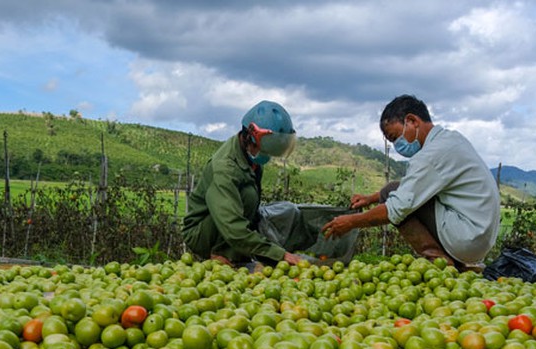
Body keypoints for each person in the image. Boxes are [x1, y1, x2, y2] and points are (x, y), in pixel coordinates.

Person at [321, 94, 500, 269]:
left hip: (466, 238)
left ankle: (439, 262)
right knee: (391, 190)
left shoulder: (431, 156)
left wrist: (351, 221)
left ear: (412, 121)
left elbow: (396, 208)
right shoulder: (450, 140)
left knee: (393, 197)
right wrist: (370, 199)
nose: (397, 145)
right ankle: (459, 263)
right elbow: (415, 186)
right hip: (479, 236)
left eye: (395, 137)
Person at [182, 100, 302, 267]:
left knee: (286, 210)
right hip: (202, 232)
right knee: (246, 195)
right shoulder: (225, 168)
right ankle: (220, 253)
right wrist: (280, 255)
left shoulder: (250, 156)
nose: (266, 155)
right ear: (249, 136)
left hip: (227, 223)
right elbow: (231, 223)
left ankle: (241, 250)